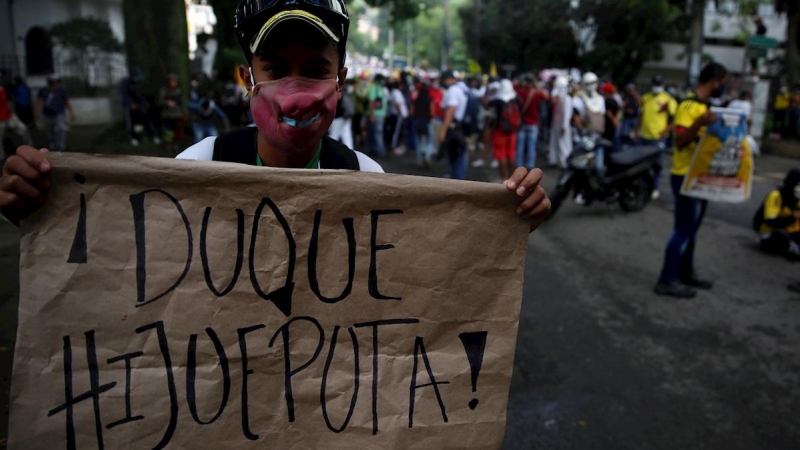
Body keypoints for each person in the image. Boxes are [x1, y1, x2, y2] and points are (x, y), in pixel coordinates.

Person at [1, 0, 550, 236]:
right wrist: (43, 209)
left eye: (314, 69)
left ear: (340, 82)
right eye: (275, 69)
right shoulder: (199, 166)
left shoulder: (368, 179)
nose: (295, 94)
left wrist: (505, 219)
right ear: (247, 80)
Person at [655, 62, 729, 298]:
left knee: (692, 230)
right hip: (685, 176)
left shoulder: (706, 107)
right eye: (722, 84)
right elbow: (679, 141)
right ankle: (666, 279)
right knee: (683, 230)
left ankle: (686, 273)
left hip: (701, 176)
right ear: (714, 81)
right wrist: (699, 122)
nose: (723, 88)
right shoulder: (688, 106)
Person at [638, 75, 678, 199]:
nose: (656, 86)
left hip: (658, 138)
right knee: (642, 164)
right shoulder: (645, 98)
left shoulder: (668, 99)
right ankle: (643, 187)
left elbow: (676, 118)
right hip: (644, 136)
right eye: (655, 84)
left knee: (657, 164)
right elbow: (641, 115)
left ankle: (655, 188)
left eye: (658, 84)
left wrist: (666, 130)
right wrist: (636, 130)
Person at [754, 169, 800, 260]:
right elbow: (771, 221)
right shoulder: (776, 195)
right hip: (771, 232)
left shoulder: (796, 200)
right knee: (779, 237)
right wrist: (793, 217)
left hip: (791, 232)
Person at [438, 71, 470, 180]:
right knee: (459, 154)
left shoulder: (453, 90)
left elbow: (451, 109)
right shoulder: (463, 88)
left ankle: (458, 181)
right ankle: (458, 178)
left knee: (456, 156)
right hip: (462, 126)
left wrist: (443, 130)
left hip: (454, 127)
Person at [487, 79, 520, 181]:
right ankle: (513, 179)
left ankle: (504, 179)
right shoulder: (516, 99)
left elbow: (491, 117)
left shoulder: (495, 102)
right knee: (511, 155)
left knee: (501, 155)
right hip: (512, 132)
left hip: (499, 131)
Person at [515, 74, 549, 170]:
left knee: (520, 145)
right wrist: (537, 85)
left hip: (521, 123)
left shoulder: (520, 92)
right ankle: (530, 164)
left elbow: (514, 86)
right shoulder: (535, 93)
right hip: (533, 123)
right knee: (532, 145)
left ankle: (519, 164)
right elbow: (546, 96)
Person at [35, 74, 74, 153]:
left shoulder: (61, 90)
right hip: (47, 114)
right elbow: (37, 101)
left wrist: (71, 112)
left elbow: (66, 102)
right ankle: (52, 145)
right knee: (50, 130)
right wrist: (36, 112)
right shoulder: (44, 90)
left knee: (60, 129)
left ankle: (60, 147)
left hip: (58, 114)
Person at [121, 69, 160, 147]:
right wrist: (130, 103)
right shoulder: (126, 83)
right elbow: (124, 95)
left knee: (146, 121)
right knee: (131, 123)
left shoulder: (139, 83)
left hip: (140, 106)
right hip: (130, 108)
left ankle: (152, 136)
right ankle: (133, 138)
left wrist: (144, 103)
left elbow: (141, 94)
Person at [549, 76, 573, 169]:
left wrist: (564, 126)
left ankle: (564, 162)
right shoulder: (560, 99)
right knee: (555, 142)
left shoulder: (566, 99)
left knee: (564, 144)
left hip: (562, 125)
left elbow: (567, 114)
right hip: (556, 123)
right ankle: (555, 160)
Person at [410, 81, 433, 168]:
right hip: (427, 122)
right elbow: (432, 112)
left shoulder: (415, 100)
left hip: (417, 122)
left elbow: (411, 112)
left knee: (418, 142)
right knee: (429, 141)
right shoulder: (429, 99)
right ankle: (427, 155)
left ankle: (419, 160)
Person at [329, 78, 355, 150]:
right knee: (347, 136)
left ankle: (329, 151)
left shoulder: (335, 91)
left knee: (334, 135)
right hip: (346, 116)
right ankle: (350, 152)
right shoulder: (346, 91)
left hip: (338, 116)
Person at [367, 73, 388, 157]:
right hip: (375, 114)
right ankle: (380, 151)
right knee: (377, 133)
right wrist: (372, 115)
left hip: (379, 114)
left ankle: (372, 149)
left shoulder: (380, 88)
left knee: (373, 133)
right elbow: (371, 102)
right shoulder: (374, 88)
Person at [389, 79, 409, 155]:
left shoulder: (396, 92)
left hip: (399, 115)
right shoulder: (396, 93)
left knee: (398, 131)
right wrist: (401, 113)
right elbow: (398, 104)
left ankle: (395, 146)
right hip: (399, 116)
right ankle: (394, 146)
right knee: (396, 132)